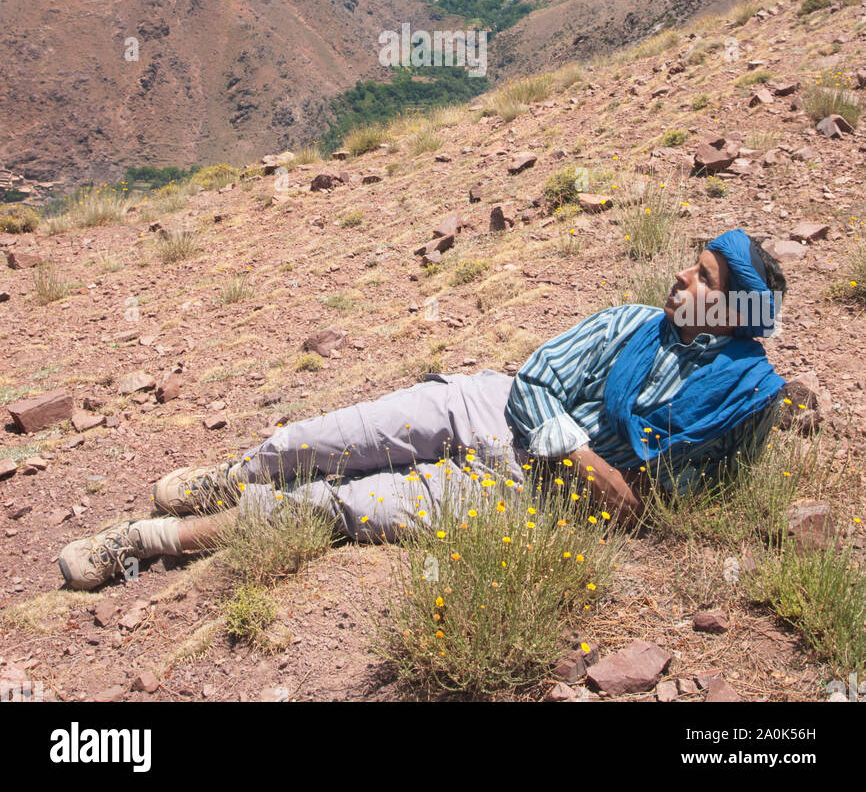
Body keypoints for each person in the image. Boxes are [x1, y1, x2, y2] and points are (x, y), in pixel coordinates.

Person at [58, 228, 788, 590]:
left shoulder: (743, 398)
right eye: (691, 263)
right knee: (329, 436)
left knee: (341, 510)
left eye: (702, 276)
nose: (681, 276)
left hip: (528, 498)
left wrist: (639, 500)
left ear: (729, 308)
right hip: (491, 409)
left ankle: (147, 540)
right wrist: (587, 459)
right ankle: (231, 474)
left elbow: (698, 490)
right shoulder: (627, 322)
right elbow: (535, 382)